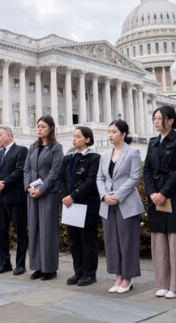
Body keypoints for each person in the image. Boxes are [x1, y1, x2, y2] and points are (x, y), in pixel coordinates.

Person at [143, 106, 176, 299]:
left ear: (170, 120)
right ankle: (162, 283)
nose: (155, 121)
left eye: (159, 118)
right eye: (154, 118)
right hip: (156, 197)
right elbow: (147, 170)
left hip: (175, 196)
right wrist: (153, 192)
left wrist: (164, 192)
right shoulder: (153, 142)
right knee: (159, 241)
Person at [96, 119, 144, 293]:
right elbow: (100, 178)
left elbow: (134, 177)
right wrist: (104, 195)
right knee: (112, 242)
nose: (110, 135)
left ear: (124, 134)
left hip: (127, 203)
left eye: (114, 131)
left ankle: (128, 278)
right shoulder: (104, 155)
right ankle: (118, 276)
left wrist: (117, 195)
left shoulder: (133, 153)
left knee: (128, 241)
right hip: (107, 204)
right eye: (109, 131)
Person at [24, 115, 64, 281]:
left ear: (51, 128)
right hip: (32, 194)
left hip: (49, 193)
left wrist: (42, 189)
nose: (39, 129)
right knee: (34, 229)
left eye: (43, 127)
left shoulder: (56, 147)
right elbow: (26, 169)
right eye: (38, 126)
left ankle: (49, 268)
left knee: (48, 231)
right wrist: (28, 187)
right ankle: (37, 266)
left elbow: (55, 172)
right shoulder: (33, 147)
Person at [60, 127, 101, 287]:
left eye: (78, 136)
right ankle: (78, 271)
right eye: (74, 136)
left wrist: (73, 196)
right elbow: (60, 178)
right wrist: (65, 196)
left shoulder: (94, 158)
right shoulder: (68, 158)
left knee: (87, 240)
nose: (74, 139)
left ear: (87, 139)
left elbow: (91, 181)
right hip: (70, 206)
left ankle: (90, 273)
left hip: (86, 205)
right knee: (74, 241)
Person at [0, 126, 29, 276]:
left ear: (8, 135)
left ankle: (20, 264)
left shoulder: (21, 151)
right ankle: (4, 263)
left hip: (16, 199)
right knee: (0, 233)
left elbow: (19, 171)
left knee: (20, 232)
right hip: (0, 199)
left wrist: (3, 183)